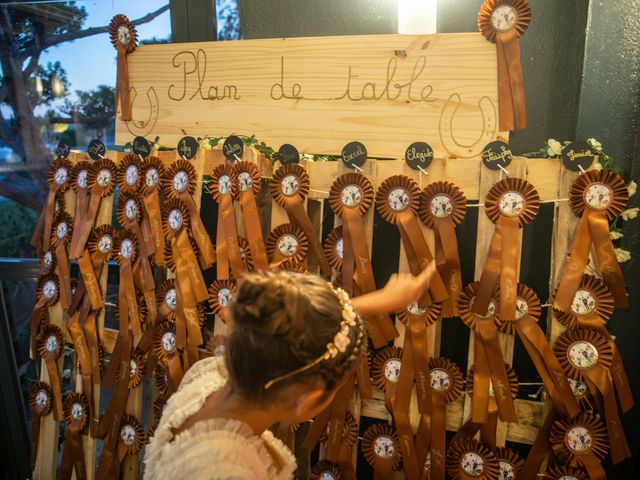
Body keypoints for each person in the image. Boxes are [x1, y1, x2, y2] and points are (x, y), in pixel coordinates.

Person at [144, 262, 437, 479]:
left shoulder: (207, 378)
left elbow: (281, 333)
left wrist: (372, 303)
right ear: (310, 400)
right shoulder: (229, 471)